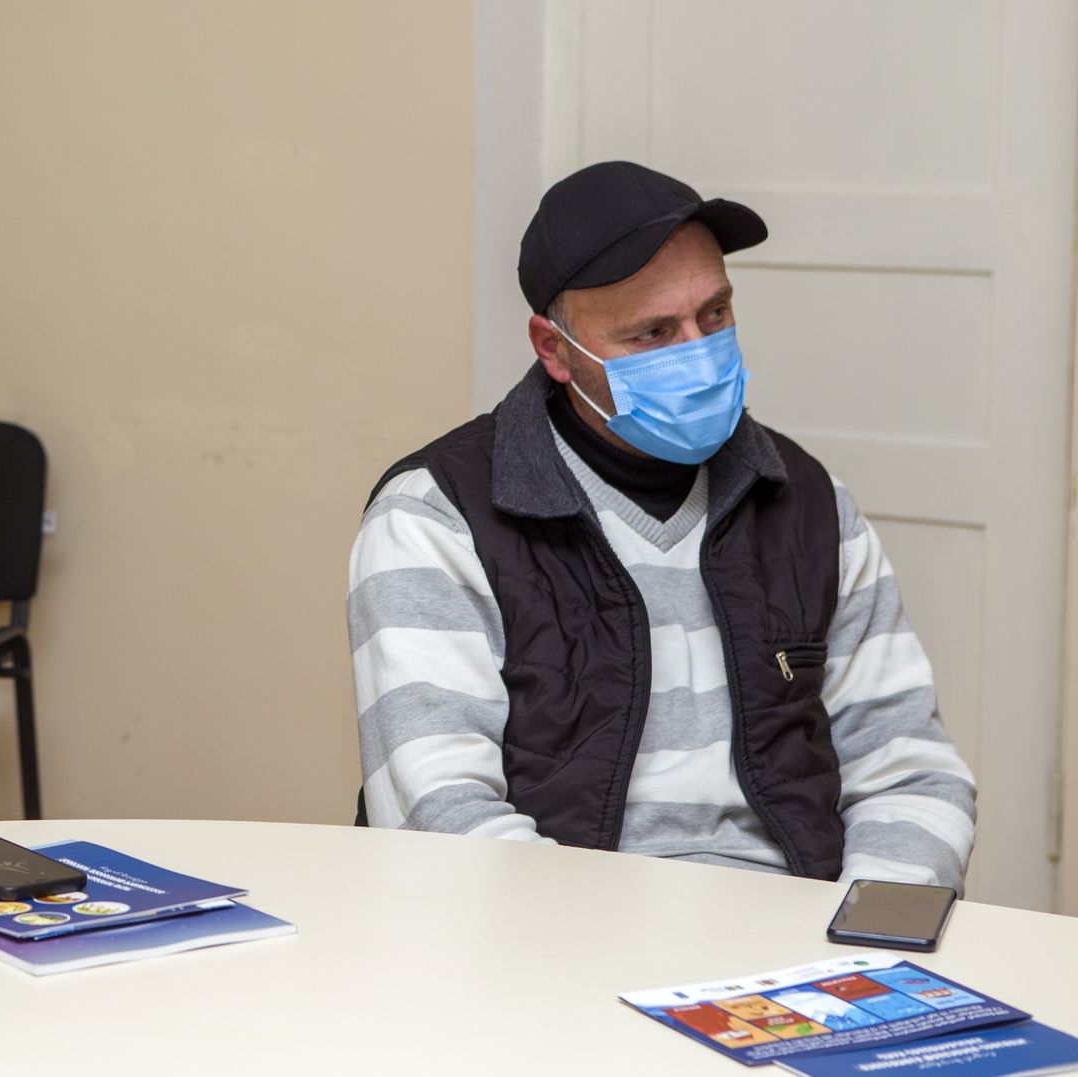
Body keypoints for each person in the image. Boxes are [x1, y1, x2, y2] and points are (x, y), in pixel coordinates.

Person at [348, 161, 975, 890]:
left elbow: (909, 771)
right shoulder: (437, 518)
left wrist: (870, 933)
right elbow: (440, 815)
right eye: (652, 332)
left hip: (794, 929)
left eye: (714, 314)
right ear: (554, 349)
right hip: (551, 931)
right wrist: (602, 943)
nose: (698, 353)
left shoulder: (809, 505)